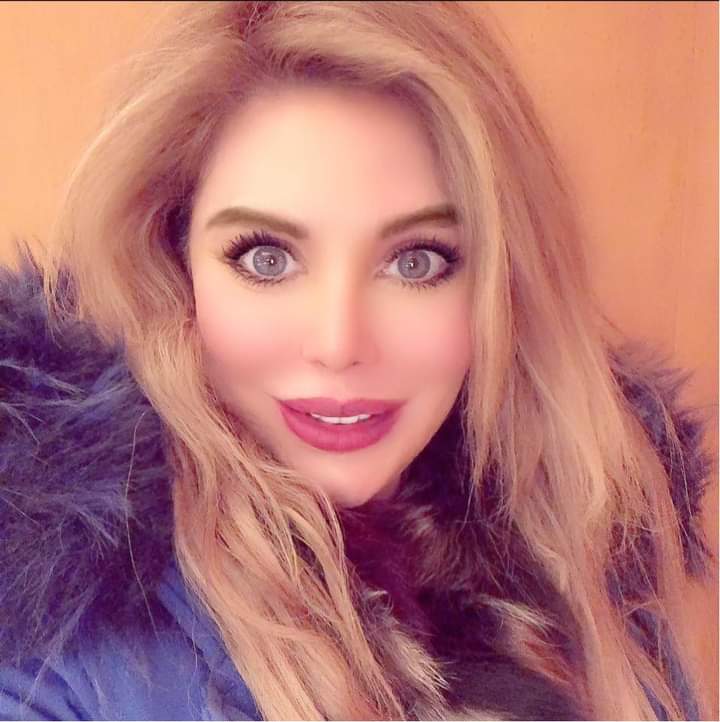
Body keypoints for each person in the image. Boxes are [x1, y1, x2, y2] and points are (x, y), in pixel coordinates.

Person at [0, 2, 714, 719]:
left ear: (502, 284)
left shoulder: (595, 559)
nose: (340, 344)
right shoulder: (59, 662)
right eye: (267, 258)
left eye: (416, 261)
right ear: (172, 265)